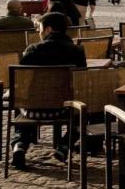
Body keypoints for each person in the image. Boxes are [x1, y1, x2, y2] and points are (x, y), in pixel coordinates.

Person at [11, 12, 87, 169]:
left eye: (39, 28)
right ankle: (65, 145)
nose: (38, 32)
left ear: (48, 30)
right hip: (63, 109)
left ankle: (20, 144)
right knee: (84, 113)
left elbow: (22, 82)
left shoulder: (32, 50)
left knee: (23, 107)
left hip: (32, 110)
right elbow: (81, 83)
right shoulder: (77, 51)